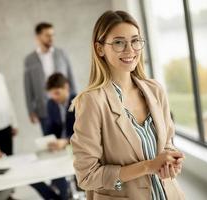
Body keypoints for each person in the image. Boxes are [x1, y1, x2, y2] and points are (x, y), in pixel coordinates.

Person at [70, 10, 185, 200]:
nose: (130, 50)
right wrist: (148, 166)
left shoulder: (155, 90)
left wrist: (170, 161)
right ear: (99, 49)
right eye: (118, 42)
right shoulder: (92, 101)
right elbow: (86, 177)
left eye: (135, 40)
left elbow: (167, 143)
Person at [24, 22, 76, 134]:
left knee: (70, 134)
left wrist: (75, 100)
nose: (51, 38)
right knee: (50, 138)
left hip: (65, 104)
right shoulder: (30, 60)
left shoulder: (61, 53)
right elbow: (28, 87)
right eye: (47, 35)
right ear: (38, 37)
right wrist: (31, 111)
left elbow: (71, 78)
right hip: (44, 108)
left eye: (52, 35)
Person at [42, 73, 76, 200]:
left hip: (74, 147)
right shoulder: (51, 104)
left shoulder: (79, 101)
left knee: (59, 174)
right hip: (59, 147)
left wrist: (66, 141)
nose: (54, 97)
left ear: (66, 87)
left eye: (57, 93)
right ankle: (63, 194)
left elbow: (84, 132)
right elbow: (50, 127)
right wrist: (49, 141)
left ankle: (63, 194)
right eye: (51, 94)